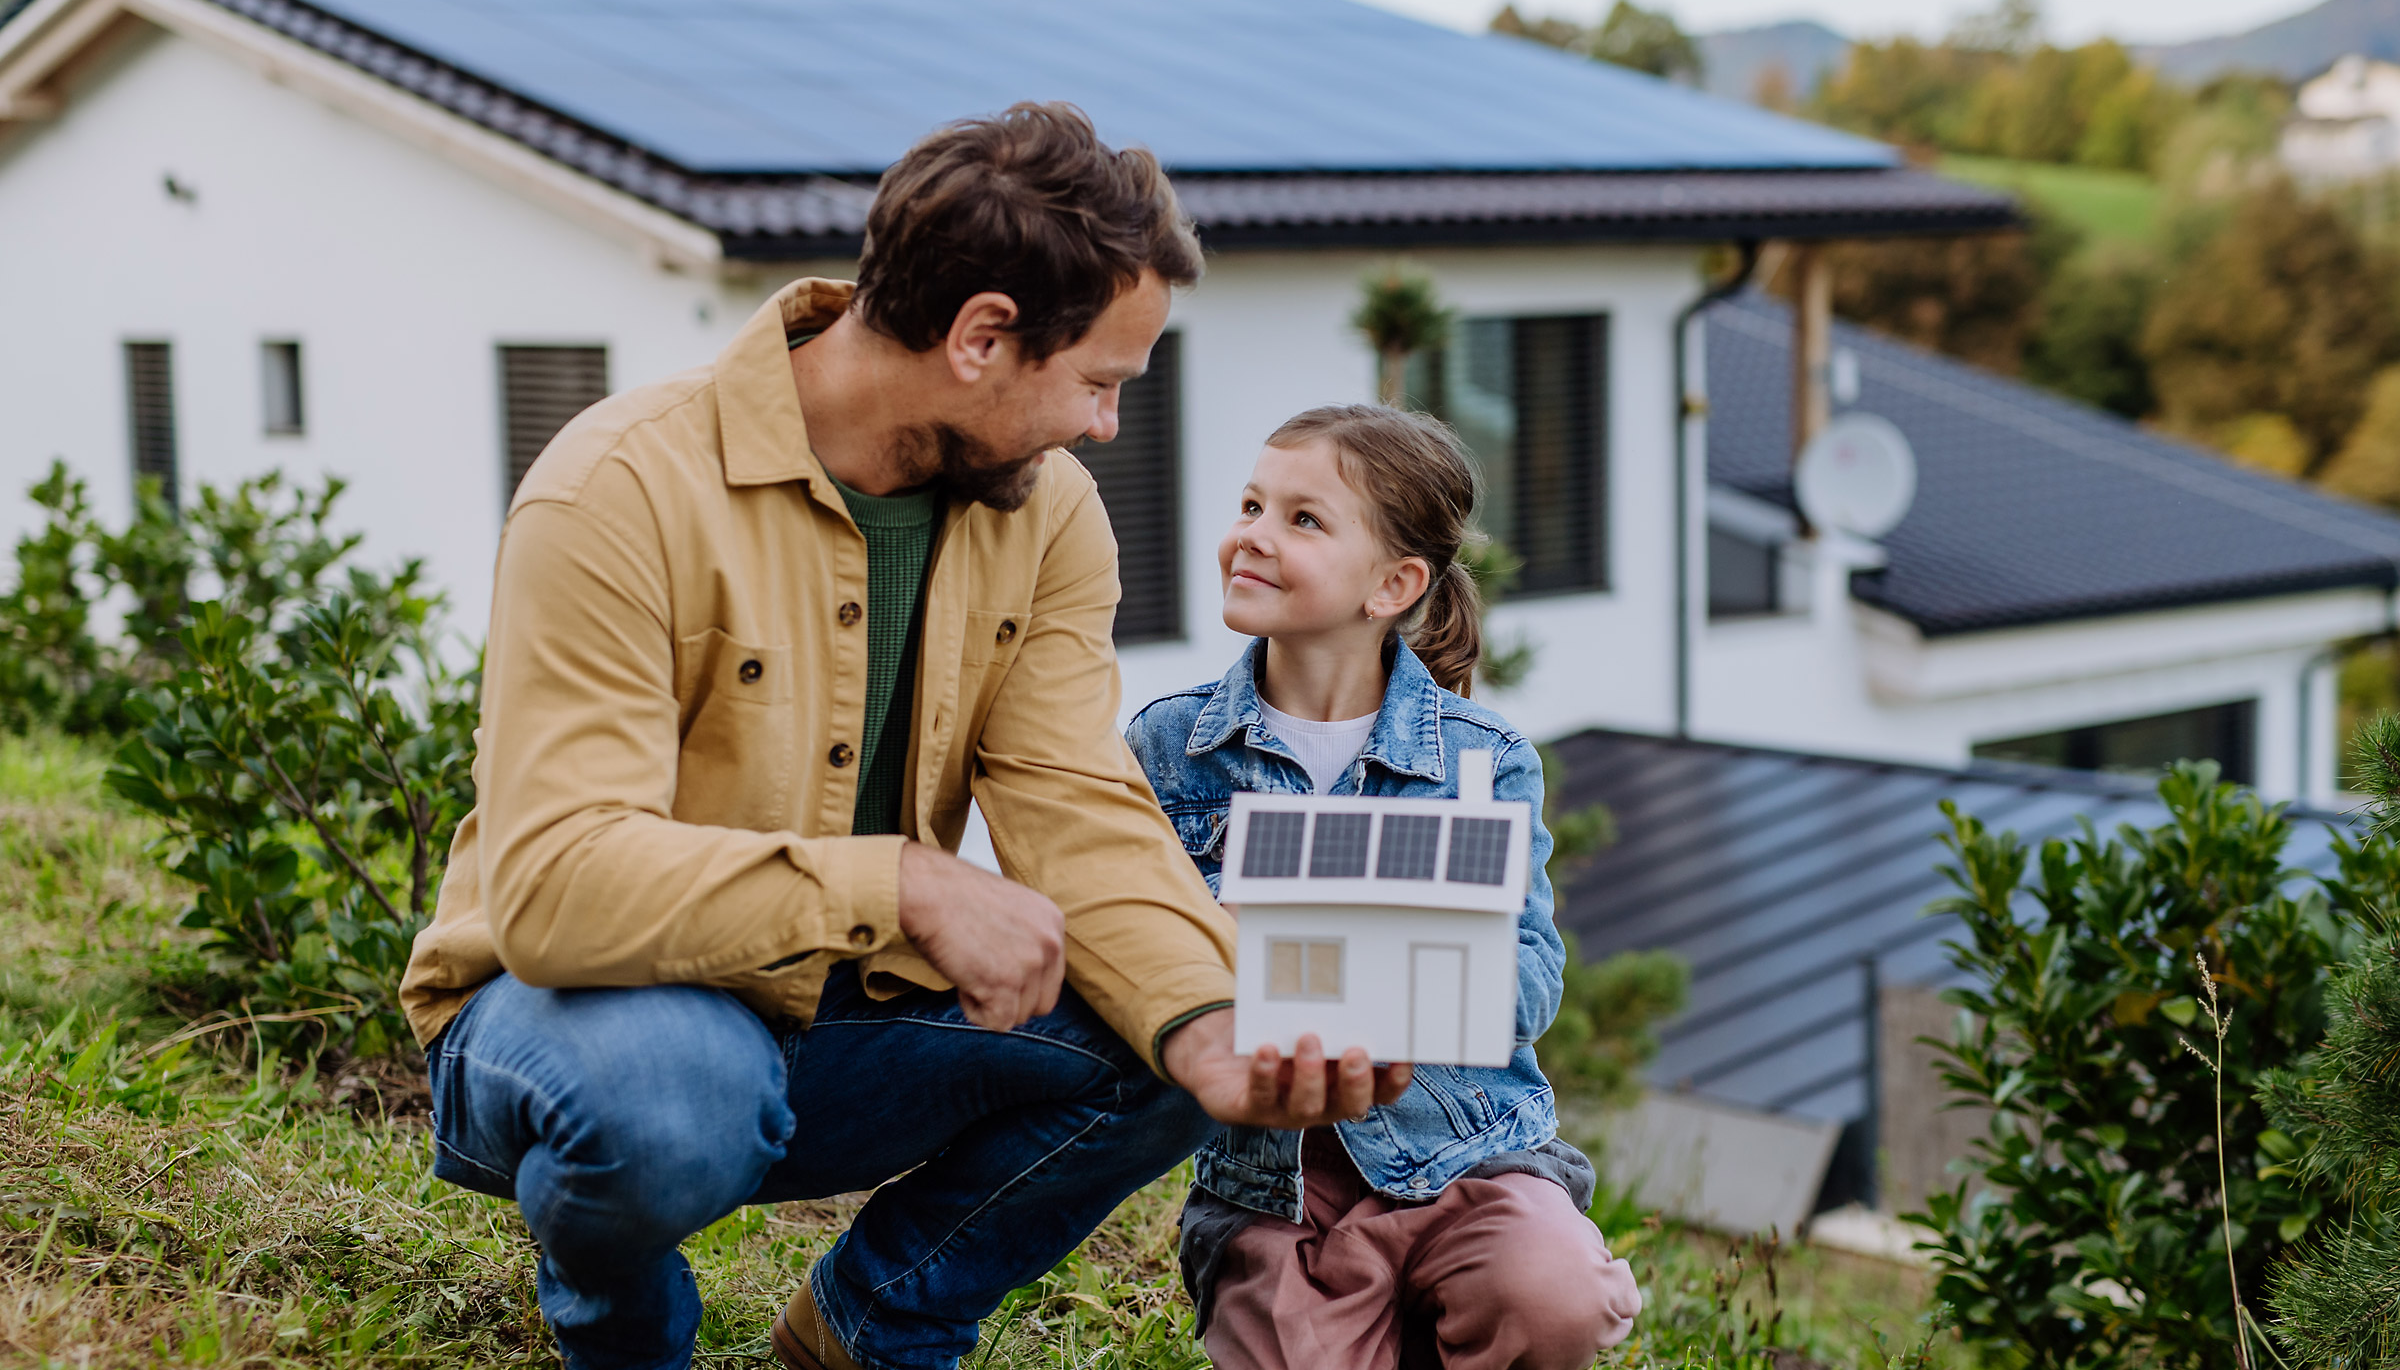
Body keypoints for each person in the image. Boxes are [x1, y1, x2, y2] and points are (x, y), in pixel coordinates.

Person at [398, 104, 1410, 1370]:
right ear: (983, 335)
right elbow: (555, 891)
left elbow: (1076, 807)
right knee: (670, 1093)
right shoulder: (617, 486)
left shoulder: (1049, 519)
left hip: (830, 1018)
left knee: (1166, 1009)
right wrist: (902, 879)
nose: (1105, 424)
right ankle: (626, 1337)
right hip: (568, 1020)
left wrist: (1209, 1019)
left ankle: (869, 1330)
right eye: (1098, 380)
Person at [1124, 405, 1645, 1370]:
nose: (1253, 535)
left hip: (1467, 1156)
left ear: (1394, 585)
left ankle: (1493, 1285)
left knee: (1551, 1298)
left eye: (1303, 520)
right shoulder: (1168, 746)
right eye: (1251, 504)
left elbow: (1532, 980)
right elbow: (1134, 950)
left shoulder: (1483, 763)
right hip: (1274, 1185)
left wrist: (1399, 973)